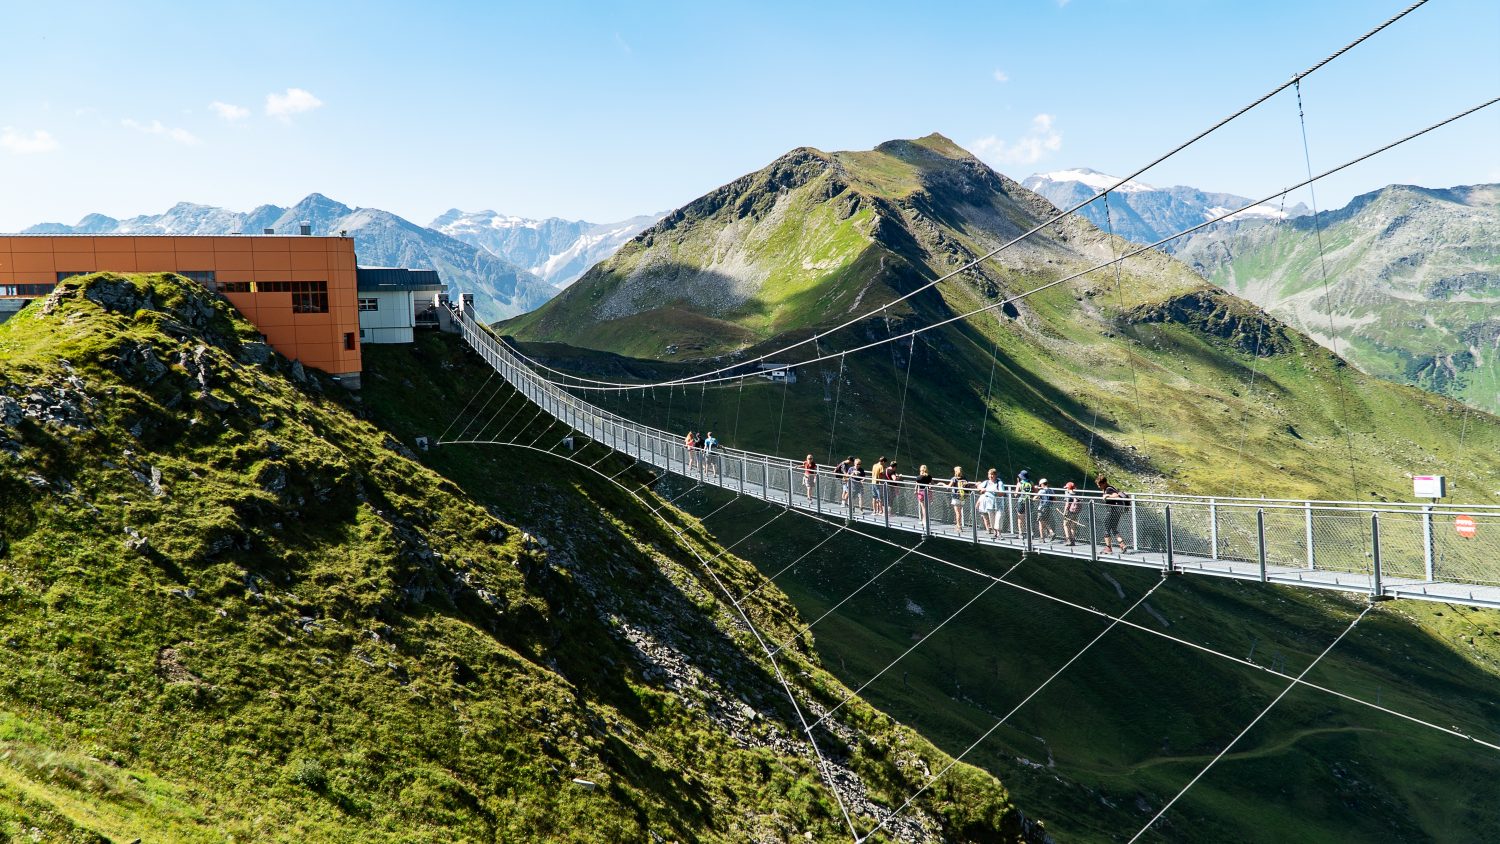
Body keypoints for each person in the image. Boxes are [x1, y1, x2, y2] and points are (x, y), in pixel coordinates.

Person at [1096, 474, 1130, 553]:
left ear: (1104, 483)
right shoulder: (1109, 488)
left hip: (1112, 510)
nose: (1099, 487)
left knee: (1106, 528)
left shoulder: (1108, 489)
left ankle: (1108, 548)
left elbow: (1116, 495)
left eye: (1099, 485)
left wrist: (1107, 495)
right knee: (1114, 528)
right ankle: (1122, 544)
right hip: (1118, 510)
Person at [977, 468, 1002, 538]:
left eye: (992, 475)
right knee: (992, 519)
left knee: (998, 518)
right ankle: (995, 532)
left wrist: (988, 490)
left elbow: (1002, 493)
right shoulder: (986, 482)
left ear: (995, 475)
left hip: (998, 504)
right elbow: (979, 486)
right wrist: (982, 489)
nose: (991, 476)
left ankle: (999, 533)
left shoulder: (999, 483)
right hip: (989, 504)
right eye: (989, 474)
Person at [947, 466, 967, 533]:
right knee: (959, 512)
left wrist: (945, 485)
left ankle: (959, 526)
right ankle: (958, 525)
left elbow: (949, 487)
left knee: (957, 513)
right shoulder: (964, 478)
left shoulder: (954, 479)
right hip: (962, 497)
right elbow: (967, 485)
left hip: (955, 497)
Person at [1061, 481, 1082, 546]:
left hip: (1069, 512)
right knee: (1073, 526)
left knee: (1065, 525)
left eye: (1066, 488)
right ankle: (1073, 541)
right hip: (1075, 512)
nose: (1066, 489)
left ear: (1068, 488)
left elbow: (1067, 504)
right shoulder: (1076, 494)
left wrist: (1064, 512)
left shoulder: (1068, 495)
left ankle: (1068, 539)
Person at [1014, 470, 1034, 536]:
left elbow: (1016, 494)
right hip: (1029, 500)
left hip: (1021, 501)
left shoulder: (1019, 483)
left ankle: (1021, 533)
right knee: (1029, 517)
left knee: (1020, 517)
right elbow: (1034, 491)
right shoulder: (1031, 482)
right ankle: (1031, 532)